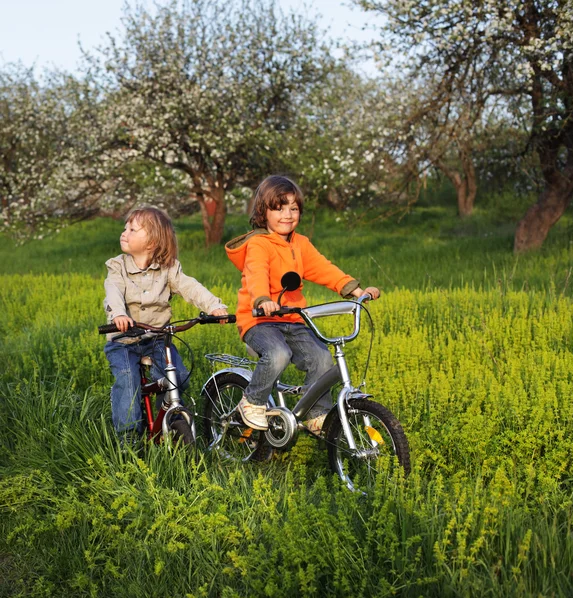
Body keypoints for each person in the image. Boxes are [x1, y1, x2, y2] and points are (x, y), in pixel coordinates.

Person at [225, 175, 380, 434]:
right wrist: (263, 300)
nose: (287, 214)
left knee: (321, 358)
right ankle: (251, 402)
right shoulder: (258, 244)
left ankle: (316, 415)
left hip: (293, 318)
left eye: (293, 208)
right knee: (278, 354)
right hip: (259, 320)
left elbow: (323, 268)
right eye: (279, 208)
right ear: (263, 212)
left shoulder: (301, 243)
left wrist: (354, 289)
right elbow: (256, 274)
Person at [103, 206, 228, 438]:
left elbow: (190, 287)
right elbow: (113, 292)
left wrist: (214, 306)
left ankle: (168, 421)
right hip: (124, 340)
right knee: (128, 382)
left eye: (132, 229)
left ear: (151, 243)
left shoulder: (168, 268)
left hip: (157, 338)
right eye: (125, 227)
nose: (124, 232)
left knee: (176, 376)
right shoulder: (118, 267)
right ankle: (127, 436)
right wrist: (118, 316)